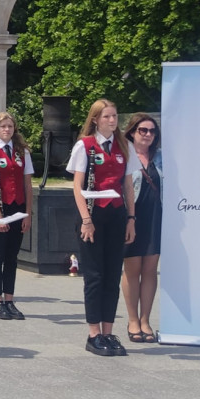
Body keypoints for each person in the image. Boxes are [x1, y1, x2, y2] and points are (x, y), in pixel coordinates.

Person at [67, 99, 139, 357]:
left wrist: (131, 218)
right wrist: (86, 219)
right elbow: (77, 186)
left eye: (115, 115)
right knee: (95, 276)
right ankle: (94, 333)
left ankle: (108, 332)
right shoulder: (84, 146)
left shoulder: (124, 146)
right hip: (93, 214)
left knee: (112, 276)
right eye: (107, 116)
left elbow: (128, 185)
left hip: (117, 214)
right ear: (95, 119)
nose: (112, 120)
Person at [0, 111, 34, 322]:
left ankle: (10, 300)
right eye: (3, 126)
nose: (7, 130)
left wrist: (28, 213)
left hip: (18, 208)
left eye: (10, 126)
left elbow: (27, 184)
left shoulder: (22, 152)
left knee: (12, 257)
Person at [122, 113, 162, 343]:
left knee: (150, 270)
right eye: (142, 130)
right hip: (132, 218)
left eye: (152, 131)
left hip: (156, 217)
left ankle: (145, 320)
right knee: (132, 270)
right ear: (132, 132)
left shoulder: (161, 158)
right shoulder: (124, 156)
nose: (147, 134)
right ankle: (132, 320)